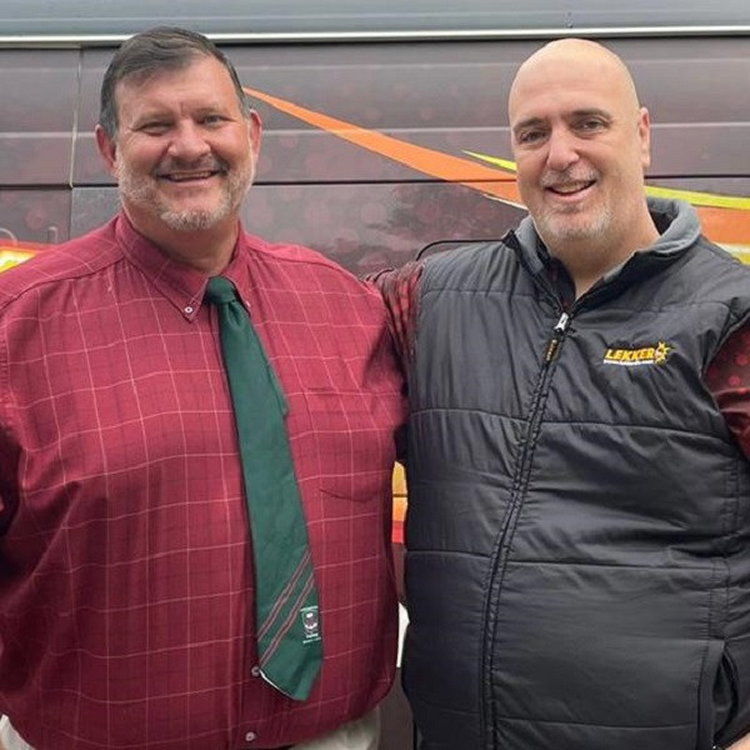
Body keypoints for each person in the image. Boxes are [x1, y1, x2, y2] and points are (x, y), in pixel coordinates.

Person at [0, 27, 405, 750]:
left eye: (211, 119)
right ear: (109, 150)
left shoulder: (347, 308)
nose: (189, 146)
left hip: (330, 736)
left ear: (252, 134)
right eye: (155, 125)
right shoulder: (18, 325)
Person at [373, 39, 750, 750]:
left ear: (641, 135)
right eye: (533, 134)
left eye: (587, 124)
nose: (560, 154)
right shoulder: (430, 300)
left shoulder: (731, 316)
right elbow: (297, 329)